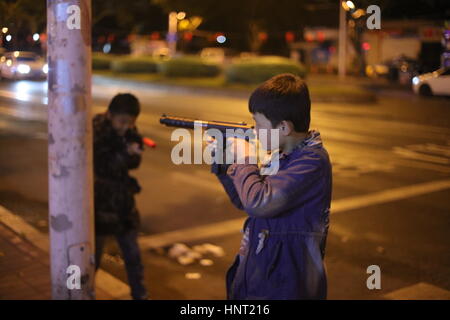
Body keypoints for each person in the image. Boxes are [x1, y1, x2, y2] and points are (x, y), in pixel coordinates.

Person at [213, 73, 333, 300]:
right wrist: (222, 160)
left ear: (284, 128)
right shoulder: (283, 156)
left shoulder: (312, 162)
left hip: (286, 287)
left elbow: (259, 202)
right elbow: (245, 200)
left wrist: (246, 159)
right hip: (263, 278)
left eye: (258, 123)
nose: (255, 131)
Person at [93, 93, 148, 300]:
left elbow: (133, 163)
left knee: (133, 256)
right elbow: (102, 163)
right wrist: (126, 153)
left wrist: (134, 153)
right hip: (99, 202)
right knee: (92, 258)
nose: (126, 127)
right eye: (122, 122)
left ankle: (140, 295)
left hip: (123, 201)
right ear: (110, 115)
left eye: (131, 123)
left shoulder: (130, 132)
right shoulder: (96, 130)